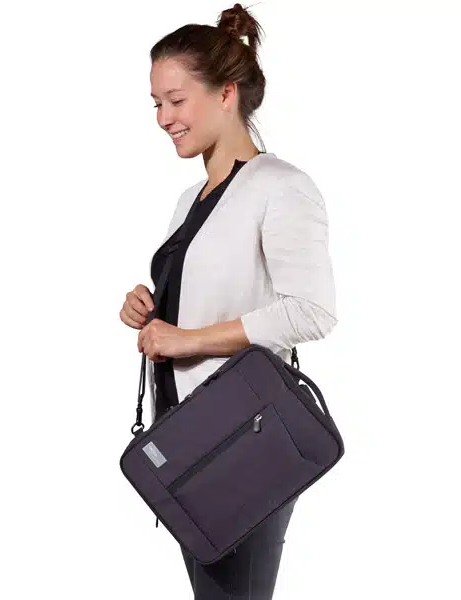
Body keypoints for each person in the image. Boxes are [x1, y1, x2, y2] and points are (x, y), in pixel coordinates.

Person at [119, 3, 337, 598]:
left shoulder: (282, 187)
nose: (163, 118)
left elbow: (312, 310)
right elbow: (211, 296)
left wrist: (186, 339)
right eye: (156, 104)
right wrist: (150, 309)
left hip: (244, 440)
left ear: (225, 94)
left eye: (176, 100)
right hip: (189, 438)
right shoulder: (189, 199)